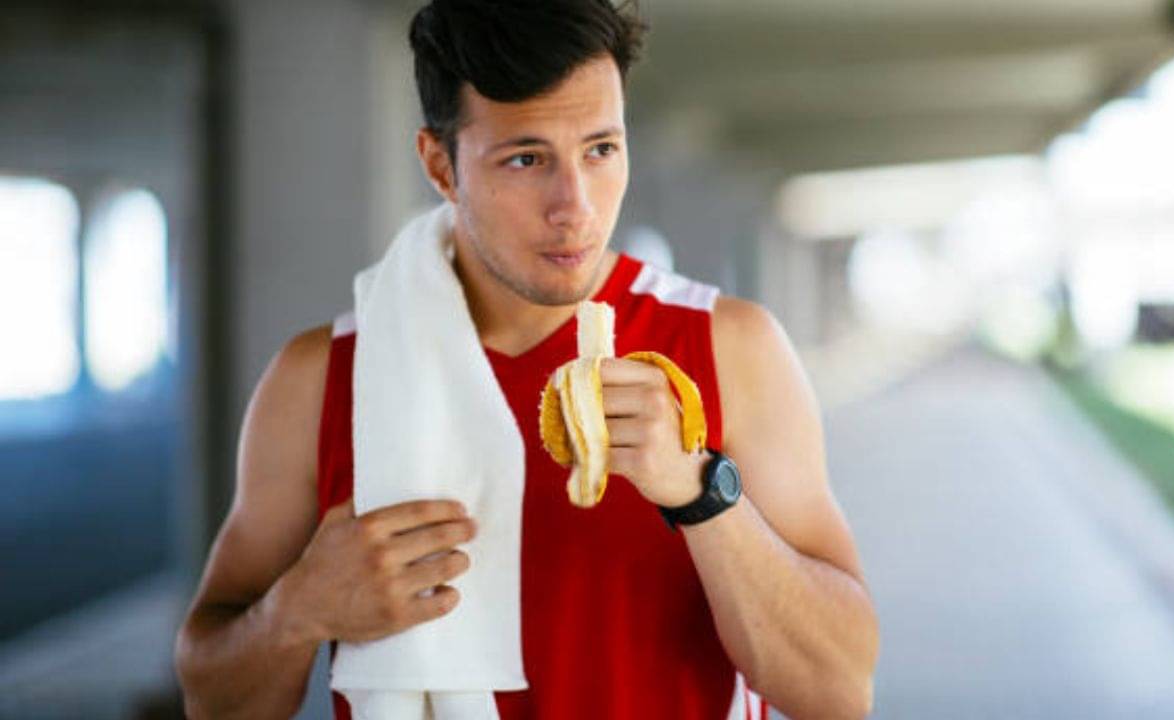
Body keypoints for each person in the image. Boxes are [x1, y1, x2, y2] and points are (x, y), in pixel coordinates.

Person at [174, 1, 879, 717]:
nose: (574, 205)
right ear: (440, 166)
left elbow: (838, 692)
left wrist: (699, 491)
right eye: (527, 159)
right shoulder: (320, 380)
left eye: (601, 149)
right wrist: (298, 610)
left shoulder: (729, 349)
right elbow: (213, 699)